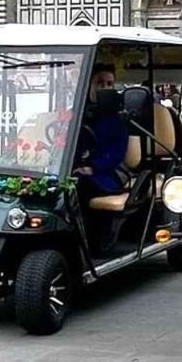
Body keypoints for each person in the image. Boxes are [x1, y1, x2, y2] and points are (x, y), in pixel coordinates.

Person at [75, 64, 130, 253]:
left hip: (106, 173)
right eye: (100, 84)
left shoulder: (117, 118)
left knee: (80, 187)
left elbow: (117, 152)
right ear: (88, 85)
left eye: (109, 84)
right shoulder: (77, 113)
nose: (105, 89)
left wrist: (93, 167)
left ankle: (87, 244)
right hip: (74, 168)